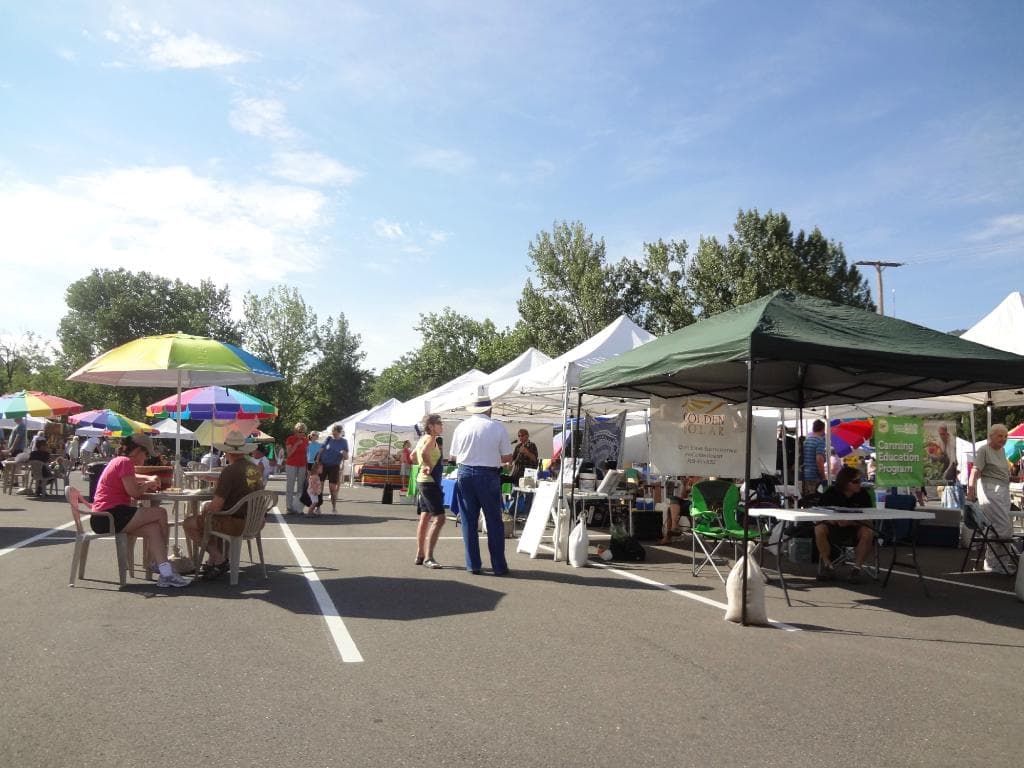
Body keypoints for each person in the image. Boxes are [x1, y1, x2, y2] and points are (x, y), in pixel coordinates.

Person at [90, 434, 187, 588]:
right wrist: (148, 484)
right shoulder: (125, 462)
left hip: (104, 516)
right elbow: (134, 492)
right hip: (109, 515)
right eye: (146, 453)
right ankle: (160, 561)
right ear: (137, 451)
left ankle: (165, 570)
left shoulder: (119, 460)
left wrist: (148, 479)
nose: (147, 457)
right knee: (160, 512)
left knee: (153, 529)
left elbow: (132, 477)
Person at [449, 387, 513, 575]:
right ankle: (499, 566)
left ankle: (473, 565)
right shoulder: (497, 427)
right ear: (489, 409)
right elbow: (508, 457)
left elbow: (453, 456)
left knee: (469, 521)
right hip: (488, 474)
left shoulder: (461, 427)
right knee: (494, 521)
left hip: (465, 473)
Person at [183, 434, 265, 582]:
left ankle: (219, 559)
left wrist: (206, 507)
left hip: (236, 524)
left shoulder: (230, 471)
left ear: (228, 452)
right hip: (255, 522)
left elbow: (216, 506)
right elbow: (243, 485)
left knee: (190, 523)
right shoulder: (254, 468)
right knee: (210, 519)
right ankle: (213, 560)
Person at [967, 423, 1015, 574]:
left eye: (1006, 436)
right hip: (990, 490)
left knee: (996, 528)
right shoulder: (984, 450)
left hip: (1002, 490)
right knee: (1004, 529)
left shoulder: (1001, 451)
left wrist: (1013, 477)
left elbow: (1000, 473)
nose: (1004, 439)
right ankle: (999, 564)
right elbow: (975, 471)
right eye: (1000, 436)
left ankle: (992, 563)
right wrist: (970, 491)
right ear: (991, 436)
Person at [815, 465, 875, 584]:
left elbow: (870, 520)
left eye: (860, 480)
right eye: (856, 481)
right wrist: (832, 520)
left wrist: (852, 522)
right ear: (845, 482)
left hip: (855, 530)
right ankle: (828, 566)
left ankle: (856, 569)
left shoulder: (864, 495)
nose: (859, 484)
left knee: (868, 531)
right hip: (834, 529)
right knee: (819, 528)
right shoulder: (830, 493)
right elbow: (818, 515)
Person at [318, 424, 349, 513]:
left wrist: (343, 453)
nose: (333, 434)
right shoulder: (328, 439)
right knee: (320, 487)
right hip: (323, 464)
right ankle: (318, 507)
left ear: (339, 432)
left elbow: (346, 457)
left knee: (332, 488)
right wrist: (317, 461)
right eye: (332, 432)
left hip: (334, 466)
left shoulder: (344, 442)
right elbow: (321, 450)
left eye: (335, 433)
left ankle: (334, 507)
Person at [284, 422, 309, 515]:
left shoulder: (306, 440)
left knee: (300, 488)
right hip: (291, 465)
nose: (301, 434)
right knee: (290, 486)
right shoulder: (290, 439)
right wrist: (296, 444)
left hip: (302, 465)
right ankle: (289, 507)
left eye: (303, 432)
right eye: (299, 431)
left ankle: (298, 508)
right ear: (295, 431)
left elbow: (307, 454)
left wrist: (308, 468)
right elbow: (289, 454)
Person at [801, 419, 827, 497]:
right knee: (813, 500)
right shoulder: (820, 441)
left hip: (805, 475)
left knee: (806, 500)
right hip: (814, 476)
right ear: (823, 429)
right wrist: (823, 477)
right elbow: (819, 460)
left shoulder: (806, 441)